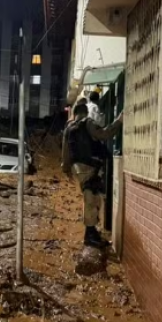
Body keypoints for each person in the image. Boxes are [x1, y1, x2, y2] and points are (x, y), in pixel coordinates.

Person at [62, 100, 122, 248]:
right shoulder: (88, 123)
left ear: (75, 113)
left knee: (90, 198)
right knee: (93, 199)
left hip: (77, 169)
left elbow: (65, 152)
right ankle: (90, 234)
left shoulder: (68, 128)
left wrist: (66, 169)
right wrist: (119, 121)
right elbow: (104, 134)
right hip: (90, 167)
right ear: (85, 113)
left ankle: (91, 232)